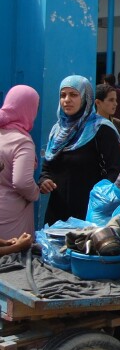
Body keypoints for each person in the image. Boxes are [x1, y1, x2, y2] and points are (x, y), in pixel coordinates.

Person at [39, 75, 120, 225]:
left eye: (73, 95)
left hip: (89, 213)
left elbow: (115, 169)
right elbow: (47, 167)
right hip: (57, 212)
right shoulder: (57, 131)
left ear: (86, 97)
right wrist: (44, 180)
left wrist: (101, 202)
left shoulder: (100, 129)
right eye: (63, 95)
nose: (67, 100)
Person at [0, 85, 41, 238]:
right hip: (11, 220)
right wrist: (35, 192)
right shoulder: (22, 142)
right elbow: (21, 182)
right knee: (13, 259)